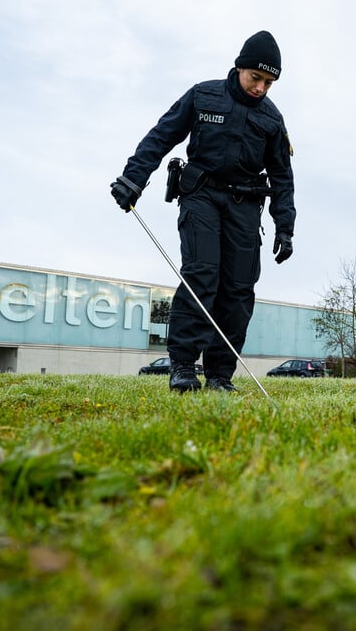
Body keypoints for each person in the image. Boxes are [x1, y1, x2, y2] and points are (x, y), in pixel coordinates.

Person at [110, 31, 296, 393]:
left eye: (269, 83)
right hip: (201, 196)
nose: (260, 87)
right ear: (239, 66)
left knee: (239, 290)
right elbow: (161, 136)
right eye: (255, 77)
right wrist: (133, 178)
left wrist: (284, 227)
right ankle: (182, 366)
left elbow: (282, 178)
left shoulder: (273, 120)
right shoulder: (203, 95)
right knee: (202, 275)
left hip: (245, 207)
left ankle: (219, 375)